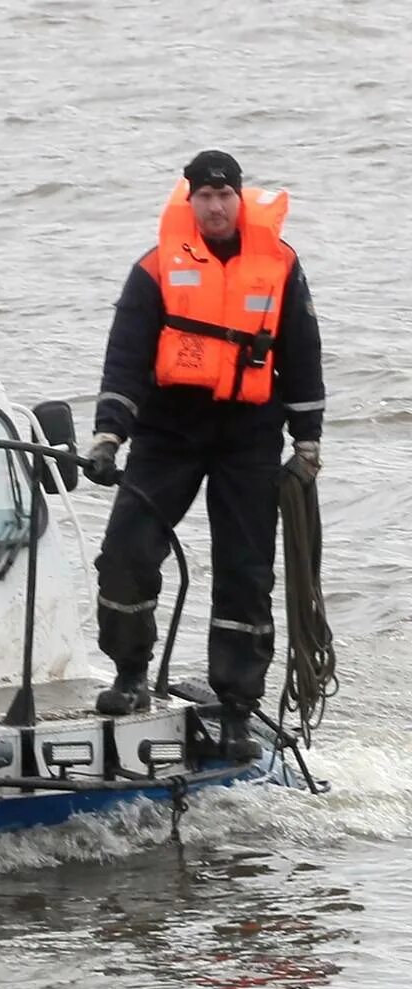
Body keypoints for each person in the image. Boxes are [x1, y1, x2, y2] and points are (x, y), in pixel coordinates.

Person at [85, 150, 325, 760]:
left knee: (246, 574)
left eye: (225, 195)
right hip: (168, 434)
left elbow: (302, 353)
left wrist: (309, 442)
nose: (215, 206)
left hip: (249, 437)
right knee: (124, 556)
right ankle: (130, 676)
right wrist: (108, 436)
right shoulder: (154, 268)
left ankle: (239, 707)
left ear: (240, 199)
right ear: (188, 201)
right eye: (204, 196)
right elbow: (125, 360)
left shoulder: (281, 265)